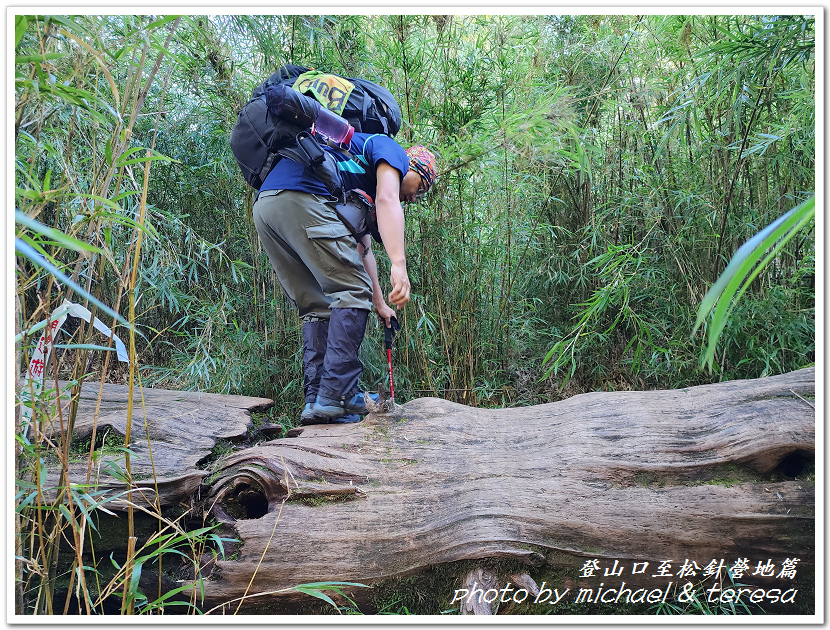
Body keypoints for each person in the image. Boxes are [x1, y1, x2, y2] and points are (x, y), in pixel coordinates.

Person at [252, 132, 437, 425]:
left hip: (268, 206)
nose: (415, 197)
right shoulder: (393, 152)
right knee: (351, 289)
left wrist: (379, 301)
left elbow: (362, 251)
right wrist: (399, 265)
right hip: (303, 197)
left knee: (318, 305)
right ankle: (339, 395)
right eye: (421, 188)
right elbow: (389, 198)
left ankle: (317, 403)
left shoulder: (358, 182)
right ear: (411, 166)